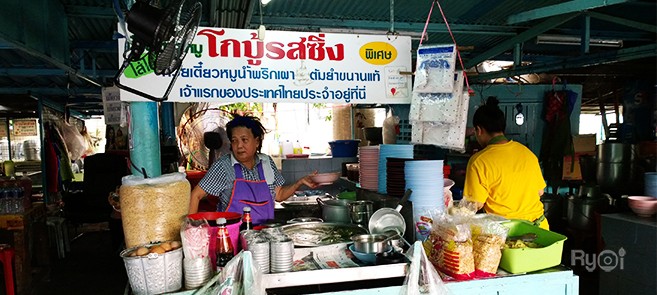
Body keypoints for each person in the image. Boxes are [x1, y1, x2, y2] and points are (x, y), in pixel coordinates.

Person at [188, 114, 318, 224]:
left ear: (256, 141)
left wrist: (299, 183)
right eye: (234, 140)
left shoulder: (267, 163)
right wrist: (190, 232)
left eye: (244, 140)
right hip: (232, 238)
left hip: (263, 236)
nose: (239, 146)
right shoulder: (224, 166)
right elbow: (196, 195)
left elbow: (279, 195)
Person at [463, 97, 549, 230]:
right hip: (539, 230)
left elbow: (474, 205)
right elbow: (540, 191)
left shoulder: (479, 161)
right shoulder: (527, 153)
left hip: (506, 234)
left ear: (479, 130)